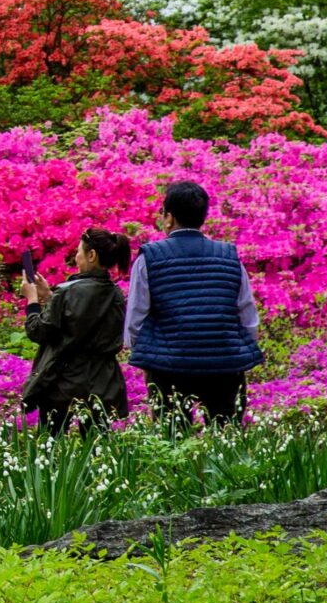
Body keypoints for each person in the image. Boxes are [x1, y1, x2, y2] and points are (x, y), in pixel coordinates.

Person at [123, 179, 263, 425]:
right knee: (225, 439)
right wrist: (242, 348)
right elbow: (247, 315)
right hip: (224, 364)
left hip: (168, 366)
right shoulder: (229, 256)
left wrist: (144, 355)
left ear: (169, 217)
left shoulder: (150, 257)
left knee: (172, 441)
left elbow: (136, 316)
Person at [18, 227, 133, 433]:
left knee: (52, 446)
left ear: (91, 255)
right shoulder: (115, 294)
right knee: (97, 448)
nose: (76, 256)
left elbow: (38, 331)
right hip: (103, 382)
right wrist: (50, 297)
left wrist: (33, 299)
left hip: (63, 382)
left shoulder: (66, 292)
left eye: (79, 251)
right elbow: (84, 321)